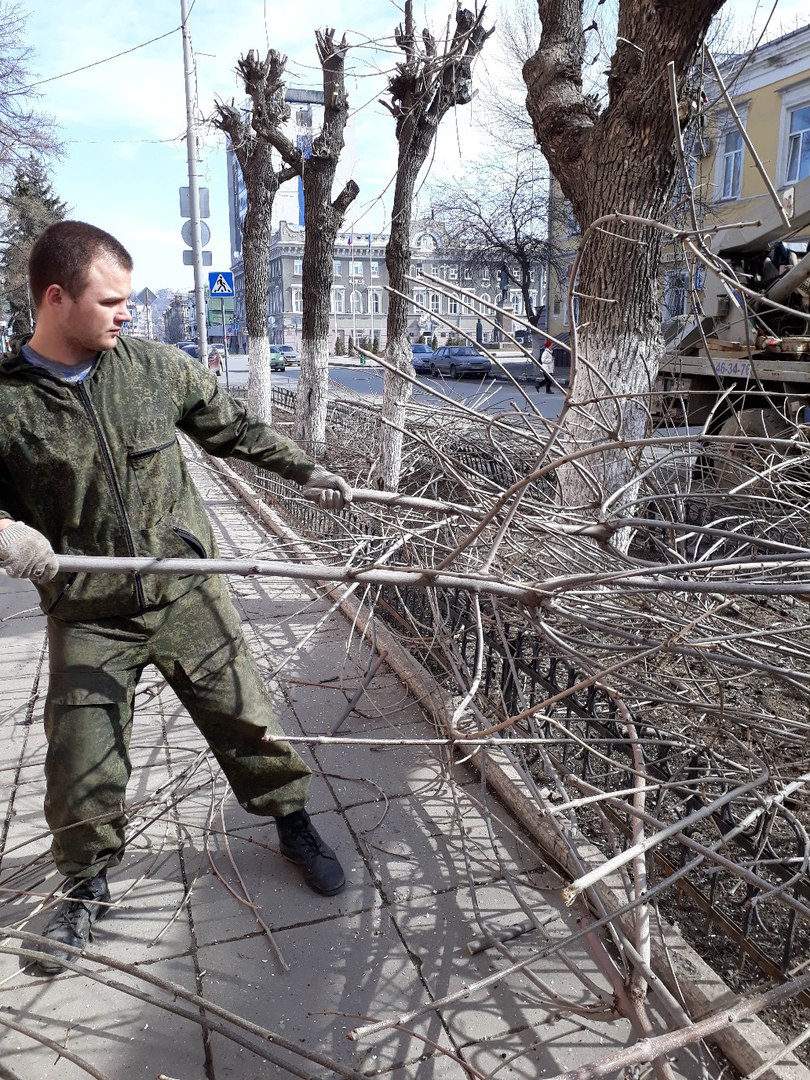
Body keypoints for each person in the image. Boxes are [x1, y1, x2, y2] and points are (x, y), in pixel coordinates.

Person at [0, 221, 353, 975]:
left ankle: (292, 822)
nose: (126, 313)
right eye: (112, 300)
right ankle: (87, 884)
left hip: (185, 591)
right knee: (80, 758)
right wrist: (3, 531)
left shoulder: (154, 368)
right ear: (56, 299)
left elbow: (232, 429)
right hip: (89, 614)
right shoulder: (5, 405)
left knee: (248, 720)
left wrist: (305, 473)